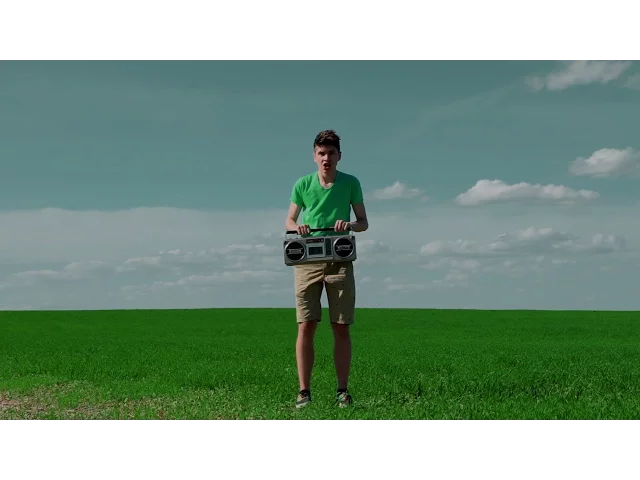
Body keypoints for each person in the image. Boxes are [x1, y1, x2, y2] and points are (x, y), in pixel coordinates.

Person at [284, 129, 369, 409]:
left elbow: (363, 222)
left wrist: (349, 225)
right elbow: (289, 220)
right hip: (308, 258)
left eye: (331, 153)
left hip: (339, 257)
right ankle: (304, 392)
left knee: (340, 325)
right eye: (321, 153)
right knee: (306, 324)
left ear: (339, 156)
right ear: (314, 156)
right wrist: (298, 227)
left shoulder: (351, 183)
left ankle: (342, 391)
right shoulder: (302, 184)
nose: (326, 158)